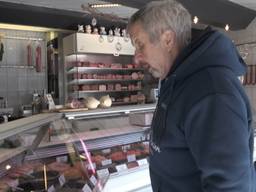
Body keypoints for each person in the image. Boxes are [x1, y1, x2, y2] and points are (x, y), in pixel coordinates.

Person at [127, 0, 256, 191]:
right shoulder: (175, 79)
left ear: (168, 39)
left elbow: (230, 186)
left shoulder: (212, 92)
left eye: (140, 45)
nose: (135, 56)